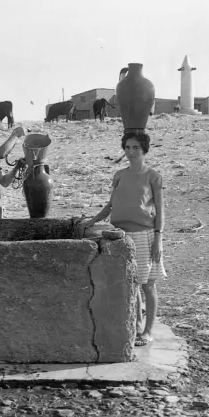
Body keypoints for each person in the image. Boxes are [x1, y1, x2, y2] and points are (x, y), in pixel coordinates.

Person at [79, 131, 165, 346]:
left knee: (148, 285)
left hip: (145, 235)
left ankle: (148, 331)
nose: (131, 151)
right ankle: (136, 326)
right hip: (120, 235)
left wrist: (158, 238)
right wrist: (92, 221)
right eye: (127, 147)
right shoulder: (119, 175)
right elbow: (111, 205)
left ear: (144, 150)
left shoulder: (153, 176)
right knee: (131, 283)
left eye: (136, 147)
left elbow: (160, 210)